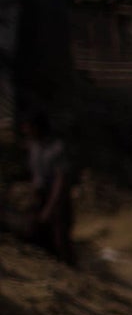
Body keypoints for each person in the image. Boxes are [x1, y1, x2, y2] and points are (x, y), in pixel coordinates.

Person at [23, 114, 76, 267]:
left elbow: (60, 181)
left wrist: (50, 208)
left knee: (60, 238)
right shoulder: (33, 147)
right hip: (40, 195)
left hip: (57, 198)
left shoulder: (57, 148)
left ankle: (72, 272)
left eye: (29, 128)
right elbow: (35, 176)